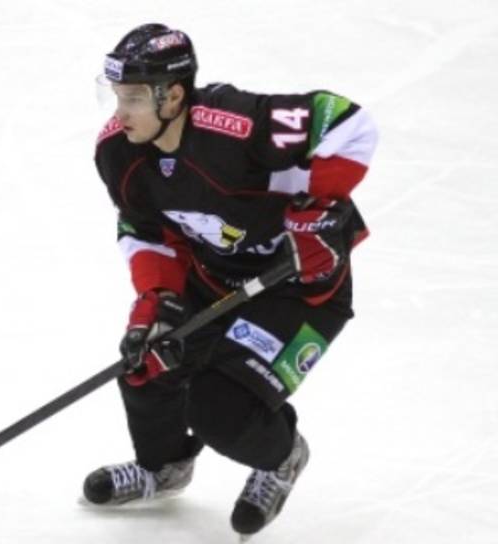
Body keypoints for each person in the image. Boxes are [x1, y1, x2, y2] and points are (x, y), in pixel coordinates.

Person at [83, 23, 377, 539]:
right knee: (146, 361)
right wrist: (158, 297)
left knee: (219, 408)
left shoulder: (238, 126)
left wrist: (318, 208)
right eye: (117, 96)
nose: (120, 112)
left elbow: (347, 122)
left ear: (174, 95)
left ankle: (283, 456)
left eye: (134, 98)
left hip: (298, 287)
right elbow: (145, 230)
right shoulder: (118, 151)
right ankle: (163, 466)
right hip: (213, 277)